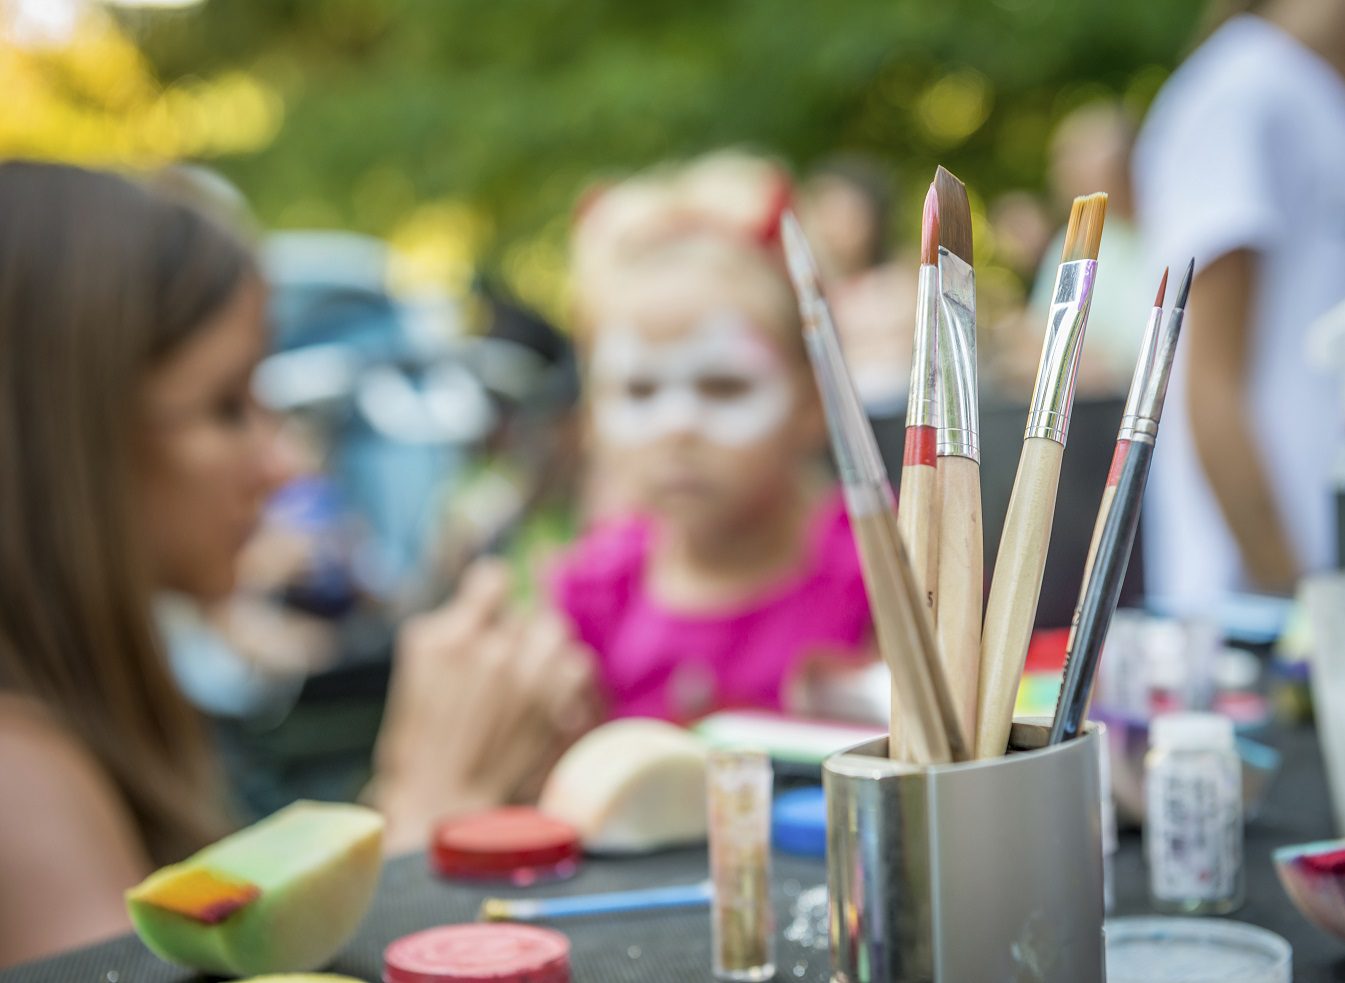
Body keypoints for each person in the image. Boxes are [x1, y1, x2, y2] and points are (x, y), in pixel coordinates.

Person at [0, 161, 599, 968]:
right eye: (225, 407)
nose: (282, 464)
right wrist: (423, 822)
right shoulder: (18, 770)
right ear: (56, 440)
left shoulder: (78, 712)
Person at [550, 154, 875, 723]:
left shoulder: (871, 567)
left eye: (723, 386)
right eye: (640, 389)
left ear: (812, 401)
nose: (678, 426)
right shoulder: (595, 598)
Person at [1132, 0, 1345, 610]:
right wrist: (1294, 596)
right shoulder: (1246, 90)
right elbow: (1209, 377)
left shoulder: (1307, 87)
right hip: (1257, 602)